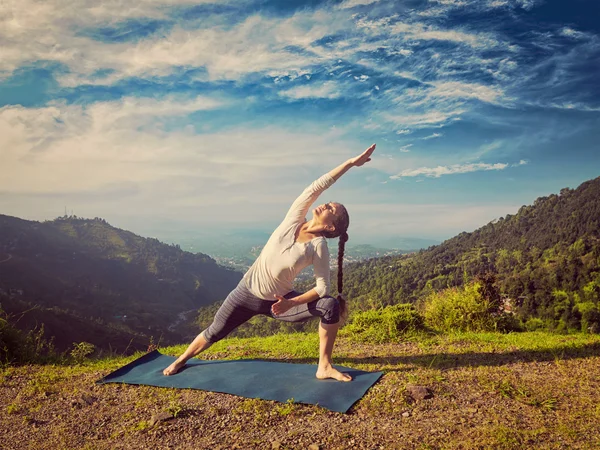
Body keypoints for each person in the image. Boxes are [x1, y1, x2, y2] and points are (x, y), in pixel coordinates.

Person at [163, 144, 376, 381]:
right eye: (329, 203)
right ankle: (181, 360)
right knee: (215, 331)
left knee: (329, 305)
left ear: (330, 226)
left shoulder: (318, 246)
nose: (326, 204)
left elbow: (322, 288)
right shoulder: (294, 219)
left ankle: (324, 366)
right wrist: (349, 163)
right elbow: (317, 186)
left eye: (331, 209)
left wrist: (289, 303)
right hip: (246, 293)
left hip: (278, 303)